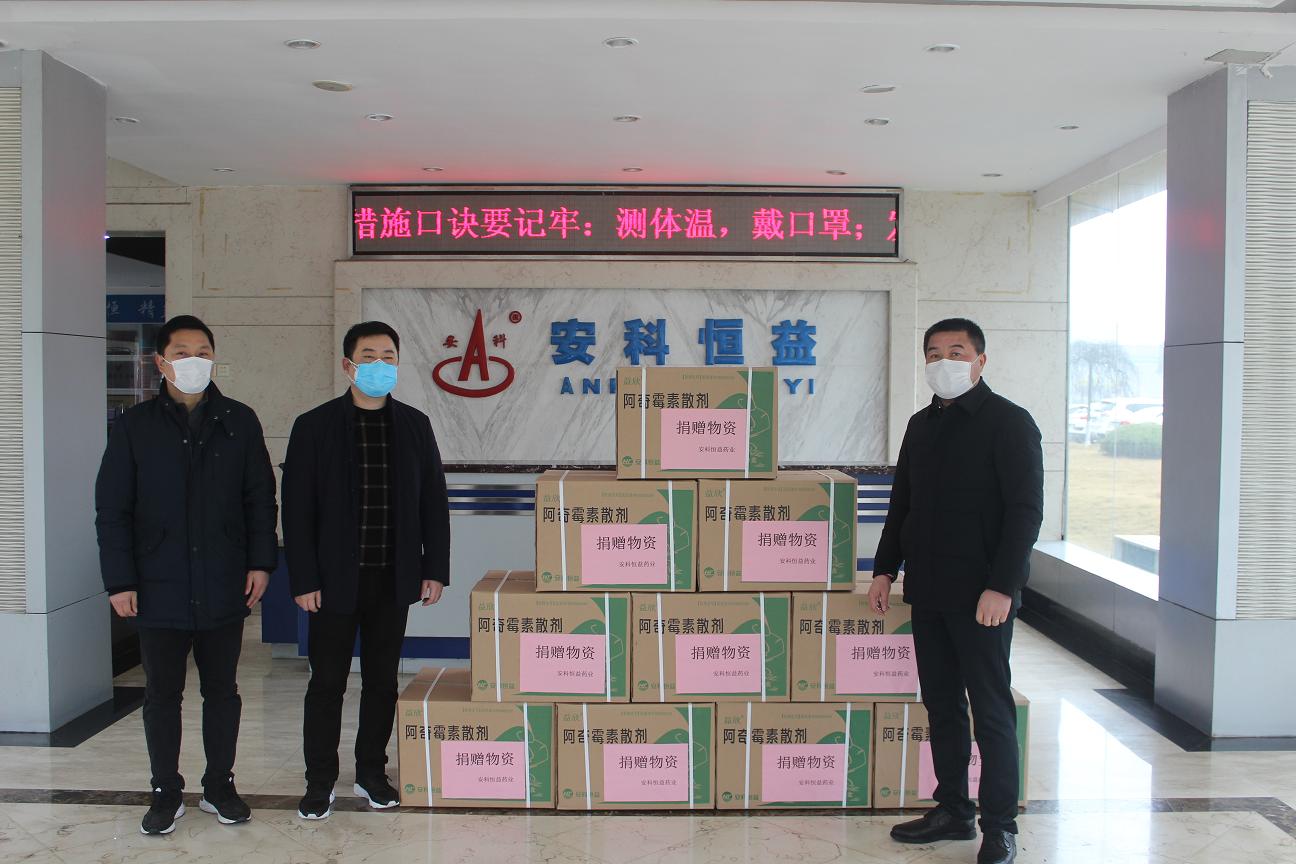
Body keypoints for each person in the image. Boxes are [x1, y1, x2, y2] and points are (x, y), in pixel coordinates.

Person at [95, 315, 278, 835]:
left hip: (224, 580)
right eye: (181, 352)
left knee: (222, 691)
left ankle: (220, 786)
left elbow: (260, 499)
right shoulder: (135, 426)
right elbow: (113, 509)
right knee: (161, 695)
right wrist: (119, 580)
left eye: (203, 351)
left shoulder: (239, 420)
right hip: (157, 584)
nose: (193, 360)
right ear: (161, 361)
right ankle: (165, 791)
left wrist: (261, 562)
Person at [870, 318, 1043, 864]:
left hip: (982, 597)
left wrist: (1003, 586)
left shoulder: (1009, 423)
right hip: (928, 590)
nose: (944, 361)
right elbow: (903, 503)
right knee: (942, 705)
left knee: (991, 711)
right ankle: (953, 810)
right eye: (934, 353)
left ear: (980, 361)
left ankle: (1000, 826)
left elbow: (1025, 513)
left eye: (956, 351)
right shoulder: (921, 426)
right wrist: (884, 569)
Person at [283, 320, 451, 820]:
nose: (380, 365)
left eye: (388, 357)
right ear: (348, 365)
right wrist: (303, 578)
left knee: (382, 681)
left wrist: (434, 569)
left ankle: (372, 773)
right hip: (332, 580)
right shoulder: (314, 426)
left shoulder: (415, 425)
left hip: (392, 577)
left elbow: (433, 502)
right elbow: (297, 509)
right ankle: (319, 781)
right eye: (369, 356)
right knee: (327, 682)